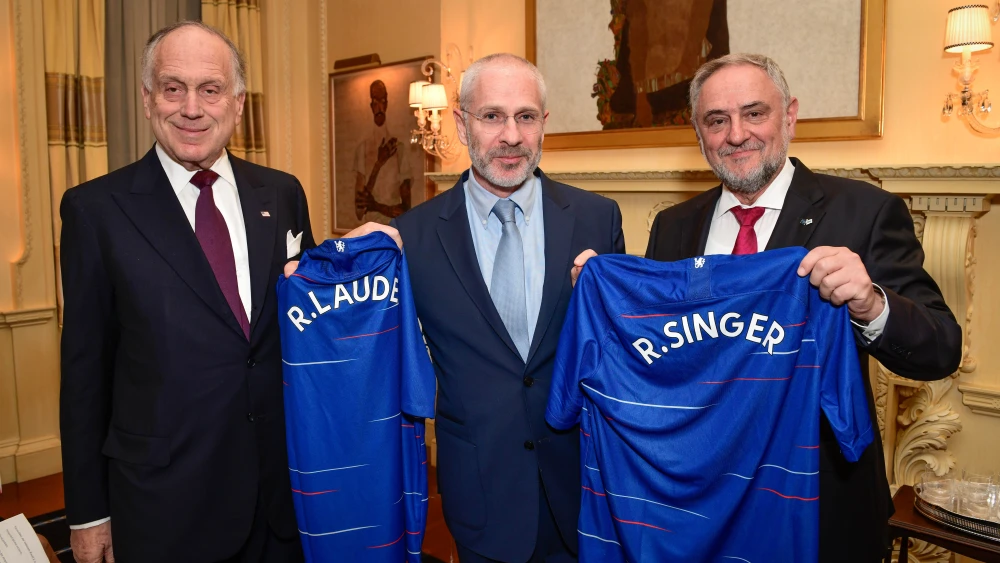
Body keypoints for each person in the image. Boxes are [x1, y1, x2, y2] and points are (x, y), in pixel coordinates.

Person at [294, 53, 625, 562]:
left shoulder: (597, 219)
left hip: (586, 490)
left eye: (525, 116)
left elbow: (624, 356)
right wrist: (324, 272)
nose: (511, 135)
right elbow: (359, 344)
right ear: (462, 124)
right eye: (492, 116)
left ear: (543, 123)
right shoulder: (412, 236)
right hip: (481, 498)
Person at [643, 53, 962, 562]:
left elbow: (941, 348)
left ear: (789, 116)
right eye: (717, 120)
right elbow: (660, 356)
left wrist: (871, 303)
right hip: (701, 502)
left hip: (821, 504)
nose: (737, 134)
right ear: (698, 134)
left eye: (754, 113)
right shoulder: (674, 226)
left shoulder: (865, 211)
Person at [60, 21, 314, 563]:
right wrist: (87, 512)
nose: (191, 108)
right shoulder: (95, 211)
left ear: (238, 104)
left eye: (210, 89)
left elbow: (308, 328)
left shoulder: (283, 194)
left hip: (280, 500)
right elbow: (84, 376)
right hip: (165, 507)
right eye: (173, 88)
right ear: (147, 99)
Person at [353, 79, 413, 223]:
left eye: (382, 101)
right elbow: (359, 211)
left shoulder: (399, 149)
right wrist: (378, 164)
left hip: (393, 231)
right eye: (375, 102)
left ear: (386, 104)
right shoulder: (362, 149)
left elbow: (406, 210)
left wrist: (375, 206)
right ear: (371, 106)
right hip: (369, 231)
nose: (379, 107)